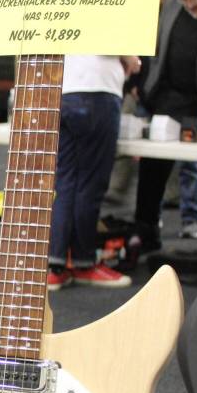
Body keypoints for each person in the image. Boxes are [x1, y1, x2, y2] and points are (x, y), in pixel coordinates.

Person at [136, 0, 197, 254]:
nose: (187, 5)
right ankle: (145, 232)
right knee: (152, 166)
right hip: (170, 99)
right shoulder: (174, 2)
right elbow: (158, 48)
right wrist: (145, 86)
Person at [48, 55, 141, 290]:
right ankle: (83, 263)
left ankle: (55, 266)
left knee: (66, 182)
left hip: (63, 89)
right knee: (90, 183)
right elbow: (107, 34)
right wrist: (130, 58)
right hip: (97, 91)